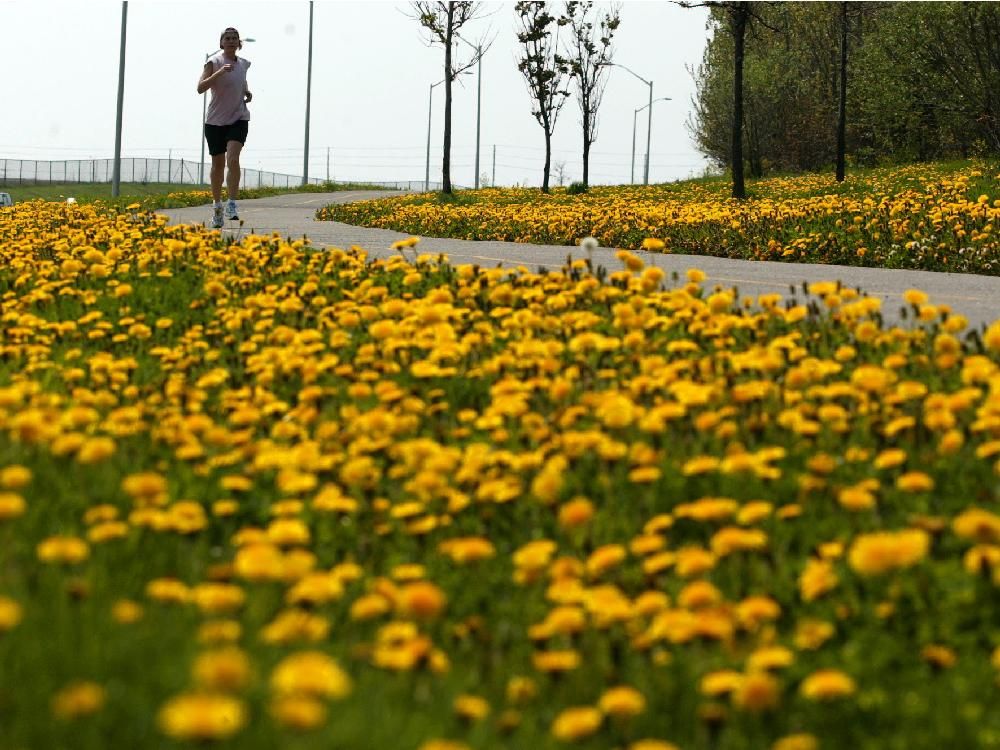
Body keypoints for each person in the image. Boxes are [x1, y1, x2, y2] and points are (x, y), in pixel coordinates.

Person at [197, 27, 252, 229]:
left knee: (234, 158)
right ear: (221, 43)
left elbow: (241, 82)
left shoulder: (244, 64)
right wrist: (218, 73)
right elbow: (200, 88)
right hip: (215, 121)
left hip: (238, 117)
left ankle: (232, 204)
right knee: (218, 165)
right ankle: (217, 207)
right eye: (227, 38)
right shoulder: (214, 63)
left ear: (239, 43)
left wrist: (247, 92)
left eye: (234, 38)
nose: (231, 41)